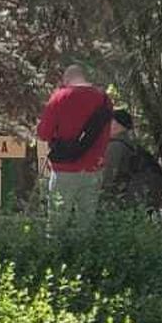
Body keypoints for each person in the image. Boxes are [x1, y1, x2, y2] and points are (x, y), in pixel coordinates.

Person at [35, 64, 114, 227]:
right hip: (93, 169)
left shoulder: (60, 97)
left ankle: (54, 253)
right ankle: (83, 252)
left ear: (66, 79)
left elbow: (43, 133)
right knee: (86, 222)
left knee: (57, 222)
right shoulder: (104, 100)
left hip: (64, 169)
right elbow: (106, 134)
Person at [101, 108, 162, 211]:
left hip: (132, 197)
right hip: (147, 194)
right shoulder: (132, 143)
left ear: (116, 124)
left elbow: (107, 178)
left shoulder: (116, 145)